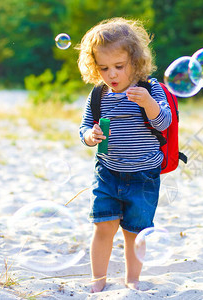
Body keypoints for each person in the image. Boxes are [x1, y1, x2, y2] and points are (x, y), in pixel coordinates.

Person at [76, 17, 171, 292]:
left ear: (136, 61)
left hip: (144, 175)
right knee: (103, 226)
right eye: (104, 68)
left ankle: (132, 279)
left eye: (119, 66)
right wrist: (89, 136)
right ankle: (98, 281)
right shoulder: (98, 96)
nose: (112, 75)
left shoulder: (150, 90)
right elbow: (84, 127)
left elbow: (163, 122)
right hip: (107, 172)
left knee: (135, 232)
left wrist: (149, 103)